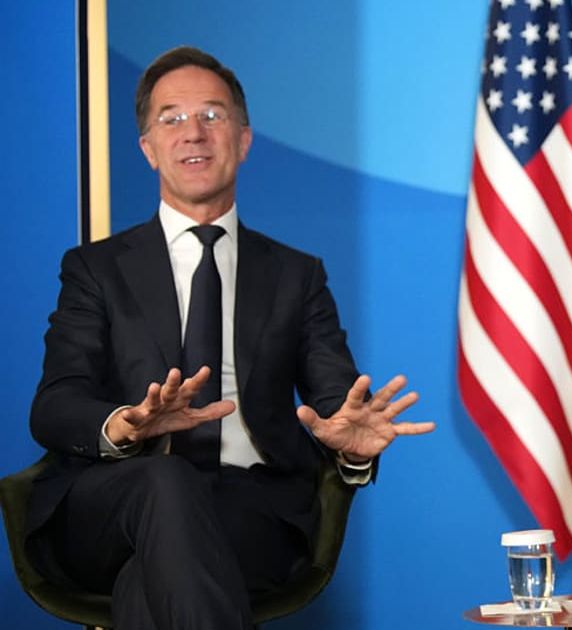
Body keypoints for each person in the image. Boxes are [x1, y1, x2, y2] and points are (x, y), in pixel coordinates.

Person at [23, 46, 435, 629]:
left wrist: (347, 444)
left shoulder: (297, 275)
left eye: (212, 116)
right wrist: (123, 425)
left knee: (151, 582)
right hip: (112, 503)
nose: (193, 133)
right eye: (171, 118)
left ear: (242, 140)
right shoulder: (96, 269)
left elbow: (336, 400)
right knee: (165, 481)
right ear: (148, 149)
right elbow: (54, 406)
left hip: (251, 508)